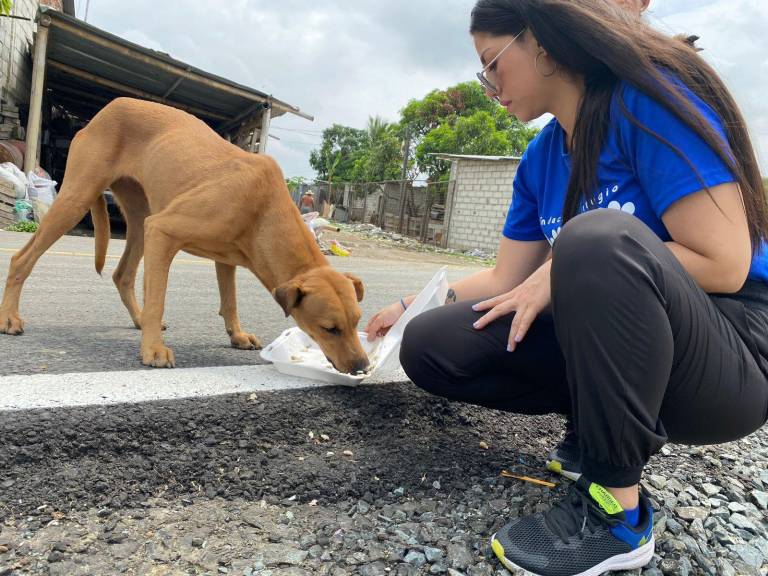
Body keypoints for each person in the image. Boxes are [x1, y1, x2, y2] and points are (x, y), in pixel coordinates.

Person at [364, 0, 768, 574]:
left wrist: (560, 268)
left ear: (542, 43)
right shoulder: (541, 158)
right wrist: (411, 305)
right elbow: (506, 279)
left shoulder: (646, 104)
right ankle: (596, 429)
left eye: (492, 64)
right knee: (432, 343)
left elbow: (723, 262)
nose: (488, 86)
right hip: (636, 341)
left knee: (594, 240)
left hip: (730, 357)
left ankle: (616, 511)